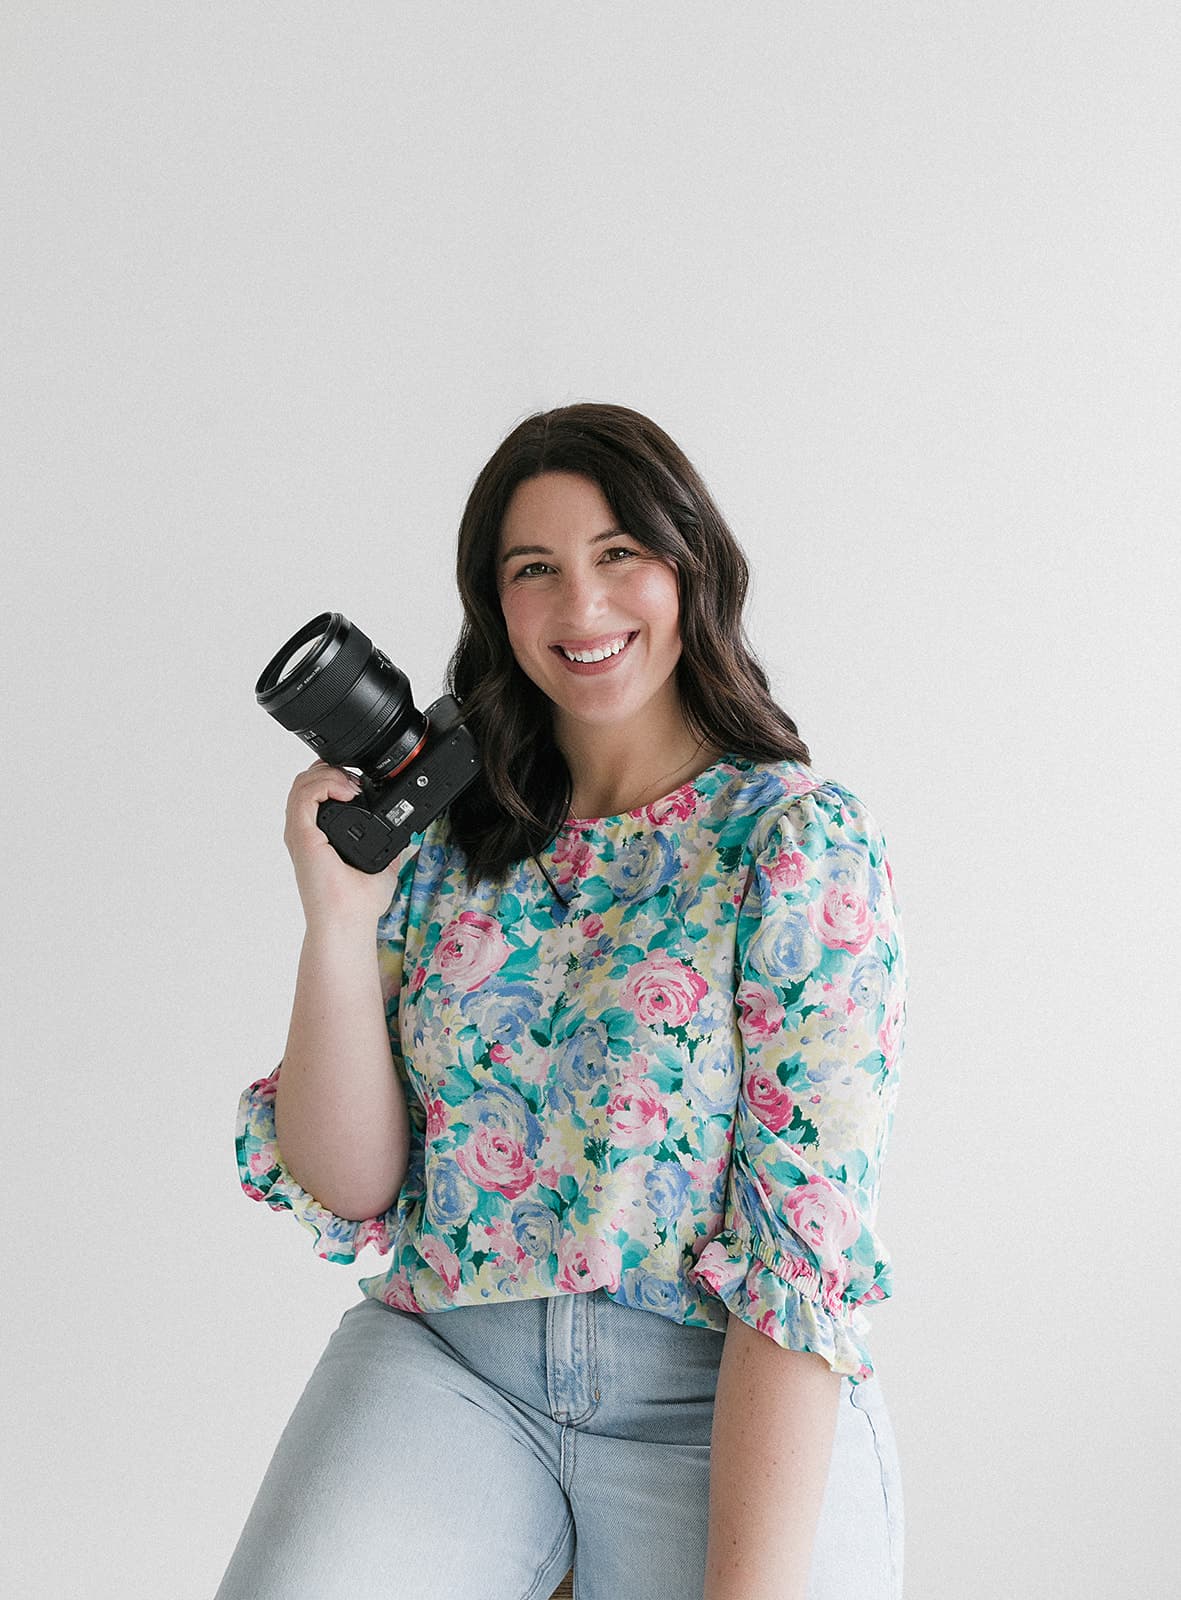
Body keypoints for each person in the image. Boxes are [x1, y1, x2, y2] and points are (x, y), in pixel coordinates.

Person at [217, 404, 907, 1600]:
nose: (581, 609)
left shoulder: (793, 845)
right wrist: (336, 920)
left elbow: (803, 1259)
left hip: (712, 1390)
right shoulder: (443, 840)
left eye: (617, 556)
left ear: (688, 567)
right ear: (496, 607)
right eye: (533, 570)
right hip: (454, 1364)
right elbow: (350, 1180)